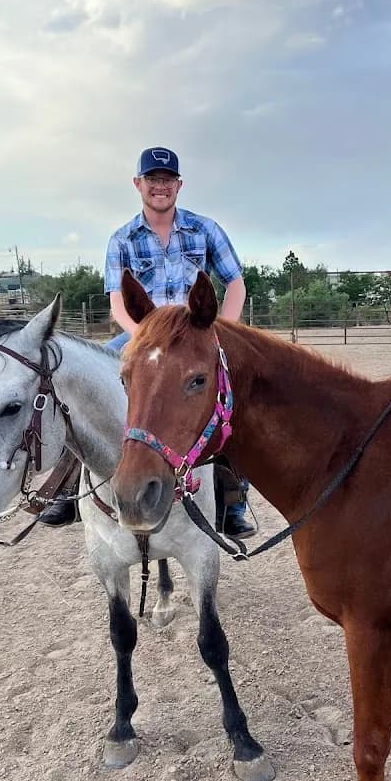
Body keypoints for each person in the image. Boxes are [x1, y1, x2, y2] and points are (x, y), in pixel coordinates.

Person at [40, 147, 255, 538]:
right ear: (138, 184)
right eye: (153, 180)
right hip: (142, 332)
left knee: (232, 394)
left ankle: (233, 498)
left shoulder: (205, 230)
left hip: (195, 332)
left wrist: (223, 328)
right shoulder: (121, 238)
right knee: (85, 386)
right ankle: (65, 485)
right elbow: (118, 301)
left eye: (167, 180)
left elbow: (235, 282)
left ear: (178, 186)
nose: (160, 187)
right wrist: (143, 337)